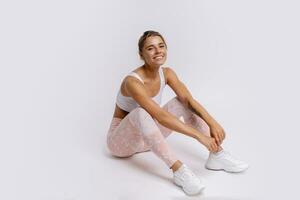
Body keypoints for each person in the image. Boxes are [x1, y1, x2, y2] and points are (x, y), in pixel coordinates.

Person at [106, 30, 249, 196]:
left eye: (161, 46)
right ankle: (179, 171)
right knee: (140, 112)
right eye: (151, 48)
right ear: (141, 54)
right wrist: (199, 135)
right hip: (121, 143)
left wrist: (213, 122)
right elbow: (160, 116)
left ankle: (217, 154)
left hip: (148, 138)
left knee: (181, 101)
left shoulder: (167, 73)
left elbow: (188, 100)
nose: (158, 51)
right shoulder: (132, 82)